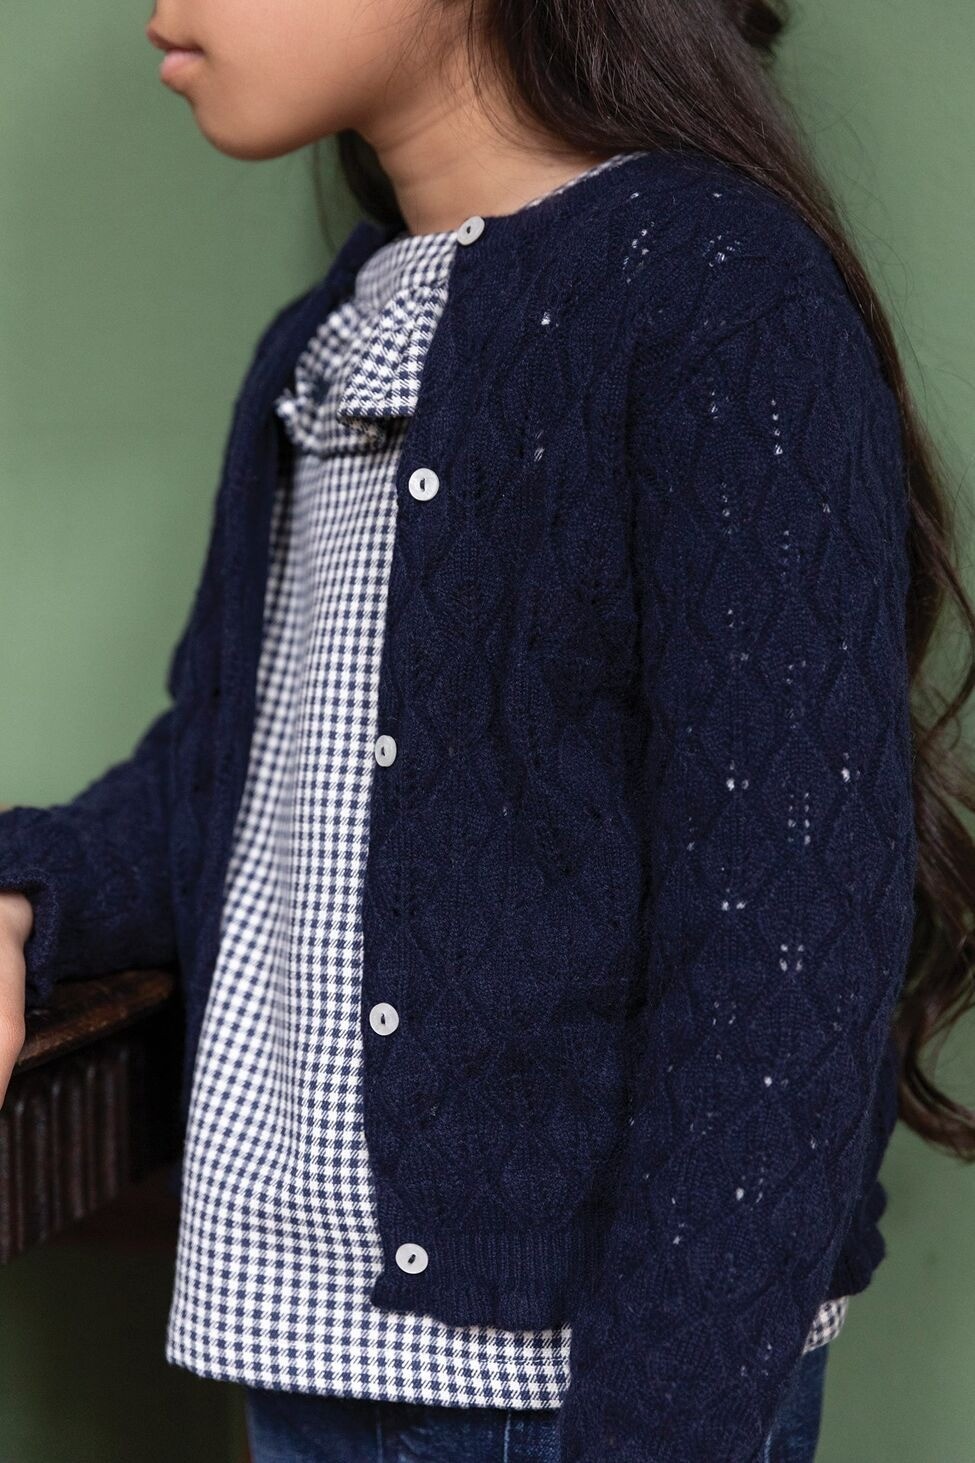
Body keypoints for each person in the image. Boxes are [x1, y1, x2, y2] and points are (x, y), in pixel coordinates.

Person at [1, 0, 973, 1459]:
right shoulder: (327, 339)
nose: (163, 9)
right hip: (306, 1343)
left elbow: (786, 947)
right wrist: (27, 893)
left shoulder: (716, 298)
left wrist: (656, 1430)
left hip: (571, 1398)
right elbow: (234, 784)